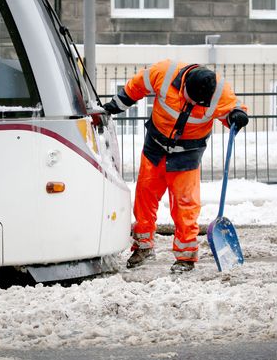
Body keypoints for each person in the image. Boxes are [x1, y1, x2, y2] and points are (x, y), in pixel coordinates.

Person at [103, 60, 248, 273]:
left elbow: (232, 110)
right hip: (155, 148)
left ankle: (186, 257)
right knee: (145, 198)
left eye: (201, 102)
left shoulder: (219, 91)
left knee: (185, 206)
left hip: (187, 156)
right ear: (185, 85)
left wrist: (237, 116)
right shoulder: (164, 73)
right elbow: (136, 86)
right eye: (193, 99)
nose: (196, 104)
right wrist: (114, 106)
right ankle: (143, 247)